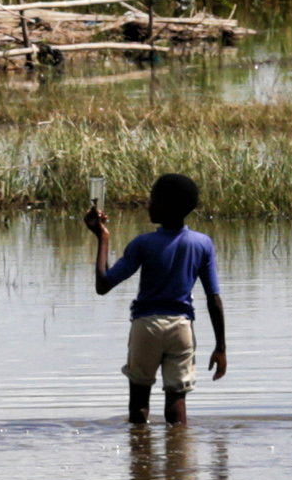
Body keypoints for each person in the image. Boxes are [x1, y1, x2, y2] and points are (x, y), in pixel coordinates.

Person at [86, 173, 226, 425]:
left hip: (146, 327)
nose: (148, 204)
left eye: (153, 199)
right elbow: (213, 299)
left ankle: (141, 460)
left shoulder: (143, 244)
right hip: (182, 329)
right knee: (177, 400)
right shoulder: (202, 244)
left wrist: (102, 238)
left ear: (167, 205)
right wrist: (220, 347)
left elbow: (103, 285)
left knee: (139, 401)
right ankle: (179, 458)